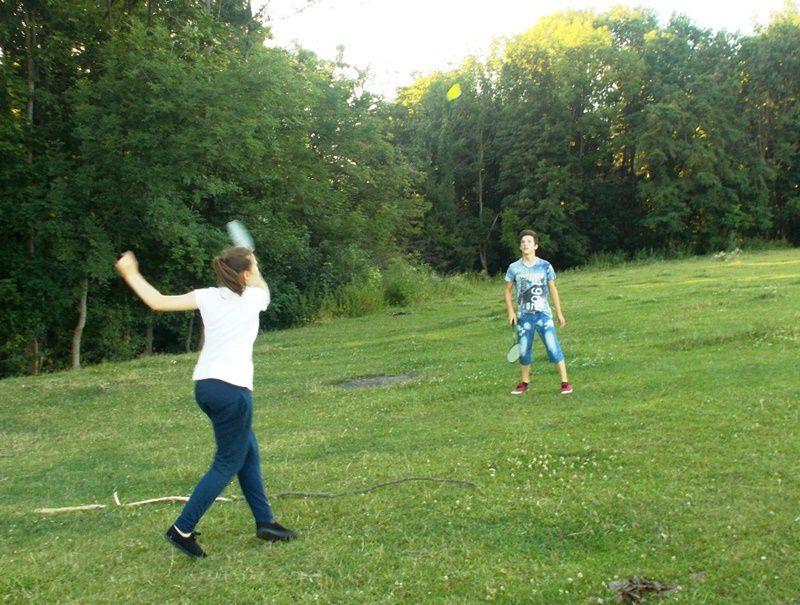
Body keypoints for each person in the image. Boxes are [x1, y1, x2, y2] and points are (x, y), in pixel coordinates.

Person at [115, 246, 297, 558]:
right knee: (228, 462)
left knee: (247, 451)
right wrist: (255, 268)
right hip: (233, 391)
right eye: (253, 266)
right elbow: (261, 285)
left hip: (207, 387)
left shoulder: (208, 296)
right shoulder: (254, 298)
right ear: (245, 274)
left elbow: (157, 301)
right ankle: (181, 529)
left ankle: (265, 522)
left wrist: (131, 273)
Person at [504, 230, 573, 396]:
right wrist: (511, 312)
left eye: (529, 242)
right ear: (520, 247)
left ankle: (565, 383)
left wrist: (559, 313)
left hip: (544, 315)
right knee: (524, 350)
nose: (525, 244)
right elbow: (507, 291)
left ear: (535, 246)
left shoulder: (545, 266)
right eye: (523, 242)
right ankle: (524, 383)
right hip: (524, 316)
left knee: (553, 347)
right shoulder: (514, 268)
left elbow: (553, 289)